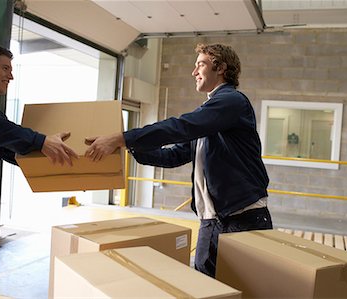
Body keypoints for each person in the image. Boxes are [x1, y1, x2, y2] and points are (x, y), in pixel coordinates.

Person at [84, 43, 273, 277]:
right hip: (211, 220)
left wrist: (122, 138)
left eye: (200, 65)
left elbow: (182, 126)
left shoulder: (231, 102)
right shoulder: (210, 113)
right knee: (205, 284)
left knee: (244, 287)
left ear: (221, 68)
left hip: (243, 216)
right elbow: (173, 155)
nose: (194, 72)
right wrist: (129, 145)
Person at [0, 43, 78, 298]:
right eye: (5, 68)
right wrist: (40, 140)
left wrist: (68, 165)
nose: (11, 75)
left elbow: (13, 150)